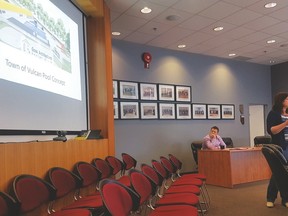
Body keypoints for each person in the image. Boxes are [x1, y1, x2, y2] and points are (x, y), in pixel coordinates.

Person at [266, 92, 288, 208]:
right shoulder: (273, 114)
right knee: (278, 172)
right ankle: (271, 197)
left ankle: (285, 199)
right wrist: (285, 123)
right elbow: (272, 131)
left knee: (286, 174)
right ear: (281, 101)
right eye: (287, 99)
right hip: (280, 147)